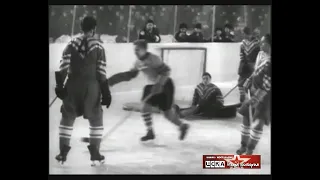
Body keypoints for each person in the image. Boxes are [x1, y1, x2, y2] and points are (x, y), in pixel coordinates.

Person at [54, 16, 112, 165]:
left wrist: (59, 86)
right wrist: (106, 92)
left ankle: (62, 153)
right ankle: (95, 153)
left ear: (81, 28)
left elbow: (62, 68)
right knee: (96, 118)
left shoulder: (71, 44)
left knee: (67, 117)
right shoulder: (98, 47)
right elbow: (101, 72)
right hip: (92, 88)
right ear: (94, 29)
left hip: (72, 85)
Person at [108, 40, 190, 142]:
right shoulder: (138, 62)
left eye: (137, 50)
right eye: (135, 50)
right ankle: (150, 132)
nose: (135, 52)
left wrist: (160, 84)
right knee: (145, 107)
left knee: (167, 114)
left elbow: (166, 71)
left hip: (166, 85)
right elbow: (129, 75)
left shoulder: (154, 59)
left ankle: (182, 126)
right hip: (153, 85)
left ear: (144, 49)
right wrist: (111, 81)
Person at [236, 34, 271, 155]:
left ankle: (250, 150)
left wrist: (255, 99)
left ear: (268, 44)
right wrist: (248, 80)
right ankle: (243, 146)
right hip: (253, 90)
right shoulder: (261, 54)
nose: (260, 45)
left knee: (258, 123)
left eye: (262, 43)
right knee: (246, 117)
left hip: (265, 97)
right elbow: (255, 71)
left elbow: (267, 86)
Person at [237, 27, 261, 103]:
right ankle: (242, 98)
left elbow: (259, 55)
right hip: (245, 65)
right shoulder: (244, 43)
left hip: (253, 66)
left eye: (244, 33)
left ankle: (252, 102)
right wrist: (243, 64)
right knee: (241, 82)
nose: (243, 35)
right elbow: (242, 55)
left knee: (252, 84)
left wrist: (254, 65)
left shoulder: (257, 43)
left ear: (248, 33)